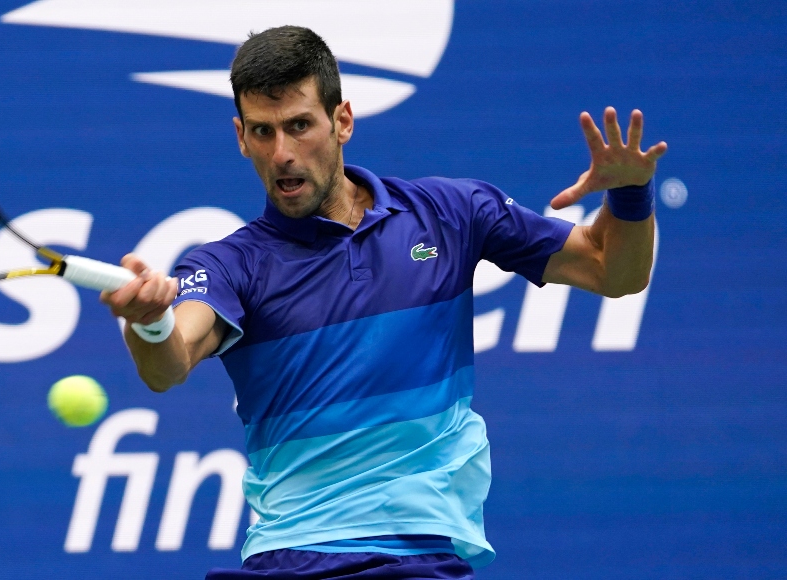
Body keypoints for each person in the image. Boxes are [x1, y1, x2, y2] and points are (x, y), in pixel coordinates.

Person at [100, 26, 666, 580]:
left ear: (342, 121)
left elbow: (611, 270)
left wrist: (629, 195)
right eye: (262, 132)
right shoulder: (230, 264)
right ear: (241, 137)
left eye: (300, 126)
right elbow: (169, 363)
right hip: (292, 557)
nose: (282, 154)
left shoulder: (451, 214)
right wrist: (151, 324)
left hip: (420, 557)